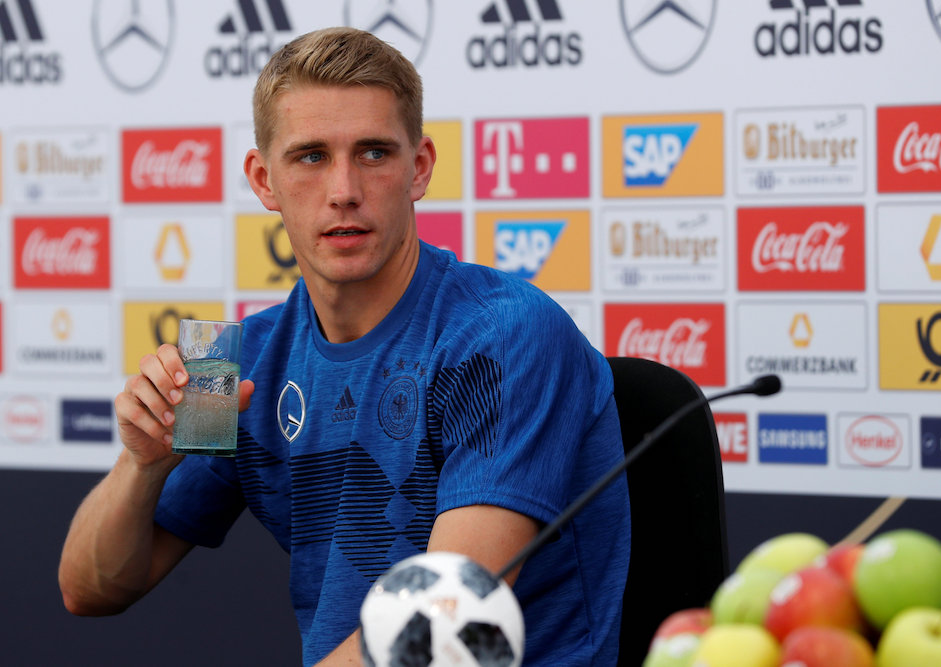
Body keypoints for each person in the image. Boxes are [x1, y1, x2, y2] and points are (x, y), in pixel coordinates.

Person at [58, 27, 630, 666]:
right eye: (310, 157)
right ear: (264, 180)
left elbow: (438, 628)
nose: (344, 191)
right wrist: (140, 467)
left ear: (419, 168)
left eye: (374, 153)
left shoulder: (507, 332)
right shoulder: (234, 363)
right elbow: (90, 591)